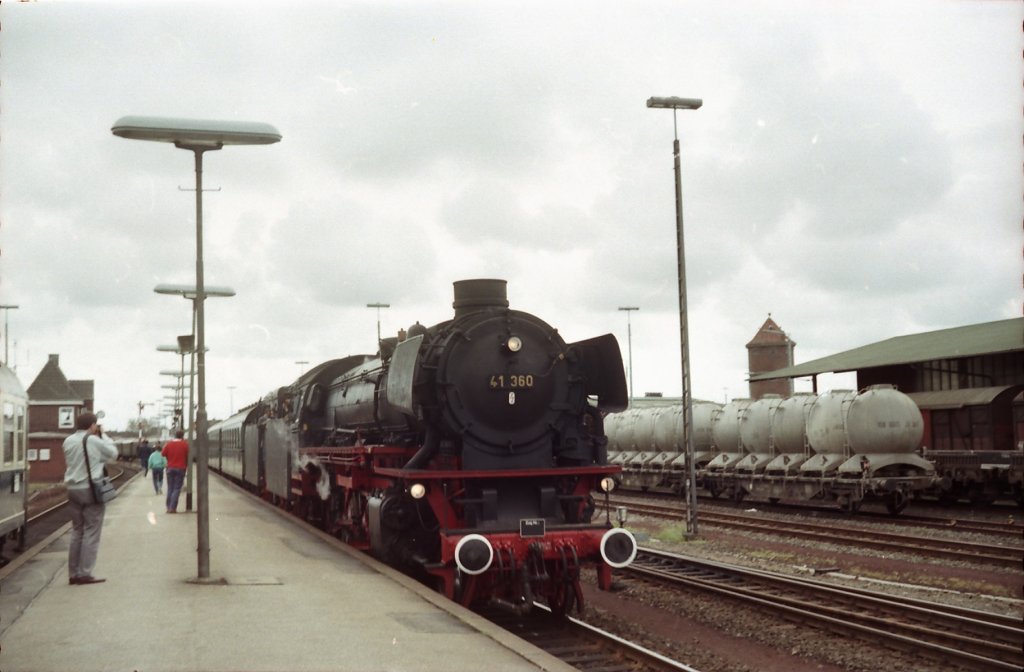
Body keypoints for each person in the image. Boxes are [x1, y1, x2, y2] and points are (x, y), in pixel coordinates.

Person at [62, 411, 118, 585]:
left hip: (73, 489)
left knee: (77, 531)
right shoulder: (93, 440)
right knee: (91, 531)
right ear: (92, 425)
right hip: (90, 489)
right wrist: (104, 435)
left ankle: (73, 573)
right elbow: (113, 453)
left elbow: (95, 457)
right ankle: (85, 573)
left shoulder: (68, 441)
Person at [161, 429, 189, 513]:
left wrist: (170, 457)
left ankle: (168, 506)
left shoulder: (169, 444)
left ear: (175, 436)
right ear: (182, 436)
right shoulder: (185, 444)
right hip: (181, 468)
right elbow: (188, 455)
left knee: (170, 488)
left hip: (170, 468)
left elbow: (163, 454)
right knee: (177, 488)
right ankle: (172, 508)